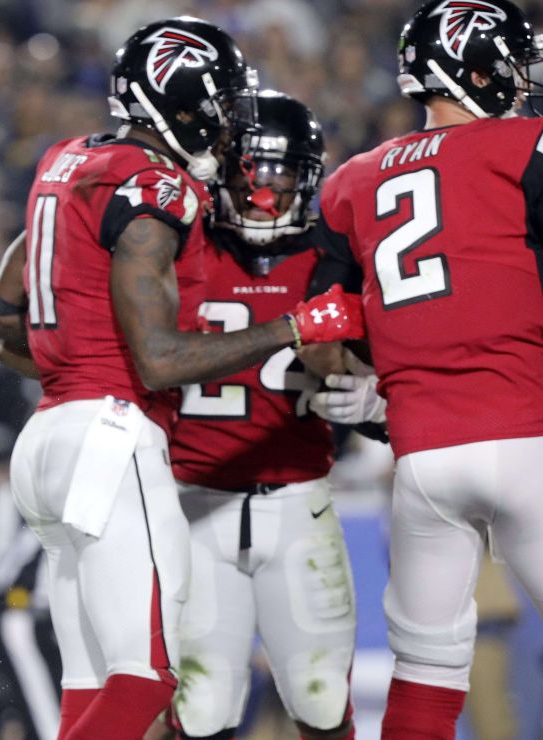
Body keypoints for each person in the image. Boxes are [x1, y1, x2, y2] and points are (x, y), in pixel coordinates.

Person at [0, 17, 363, 739]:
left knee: (88, 683)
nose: (232, 122)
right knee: (146, 679)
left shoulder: (66, 159)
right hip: (111, 438)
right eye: (224, 103)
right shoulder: (157, 188)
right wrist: (294, 328)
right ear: (186, 101)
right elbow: (158, 361)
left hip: (46, 438)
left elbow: (3, 315)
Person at [305, 1, 543, 735]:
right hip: (526, 437)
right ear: (475, 71)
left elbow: (321, 329)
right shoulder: (525, 146)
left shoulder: (352, 180)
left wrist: (371, 401)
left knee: (425, 678)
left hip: (422, 464)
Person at [167, 92, 356, 740]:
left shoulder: (330, 256)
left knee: (321, 699)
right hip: (192, 500)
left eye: (282, 173)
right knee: (202, 707)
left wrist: (373, 395)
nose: (266, 192)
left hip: (297, 497)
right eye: (252, 172)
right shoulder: (172, 247)